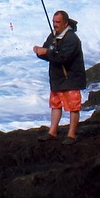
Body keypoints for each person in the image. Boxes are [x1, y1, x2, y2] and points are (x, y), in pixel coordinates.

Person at [32, 9, 87, 144]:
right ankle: (52, 132)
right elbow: (49, 54)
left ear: (65, 23)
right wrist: (39, 52)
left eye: (58, 22)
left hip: (71, 78)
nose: (55, 25)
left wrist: (47, 52)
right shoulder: (53, 35)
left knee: (73, 107)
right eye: (54, 22)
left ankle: (72, 134)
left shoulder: (72, 38)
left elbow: (63, 58)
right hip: (57, 78)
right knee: (55, 105)